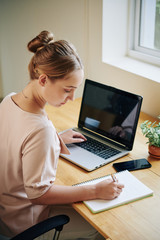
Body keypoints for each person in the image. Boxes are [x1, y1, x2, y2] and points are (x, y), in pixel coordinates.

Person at [0, 30, 124, 240]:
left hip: (5, 212)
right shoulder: (40, 131)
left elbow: (18, 139)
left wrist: (55, 139)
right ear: (43, 79)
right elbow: (39, 194)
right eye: (68, 90)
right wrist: (95, 190)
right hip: (25, 225)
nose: (72, 97)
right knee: (103, 227)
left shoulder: (9, 100)